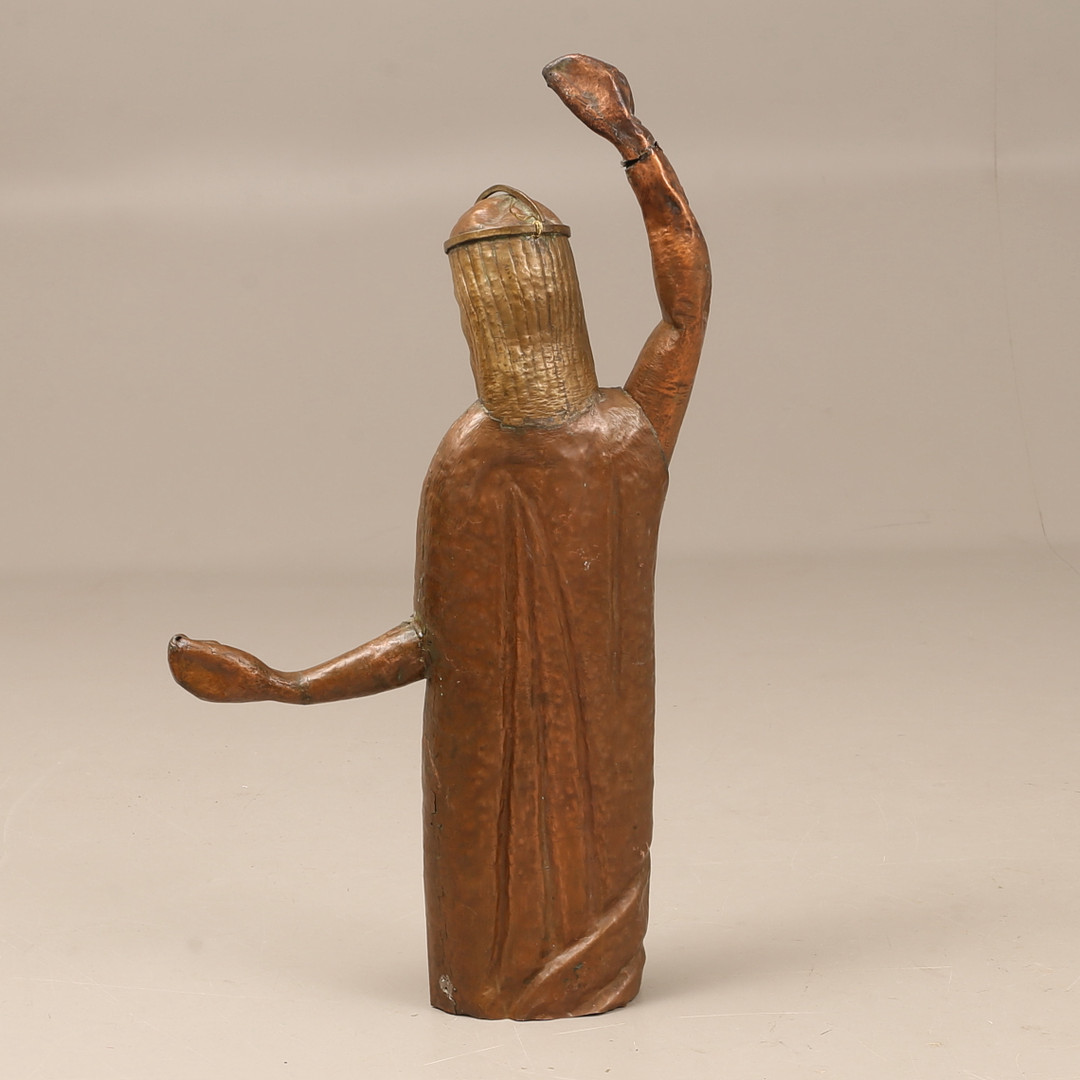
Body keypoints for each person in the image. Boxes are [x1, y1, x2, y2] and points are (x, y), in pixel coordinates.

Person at [169, 54, 710, 1019]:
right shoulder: (470, 460)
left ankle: (578, 975)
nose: (512, 325)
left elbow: (685, 306)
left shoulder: (623, 435)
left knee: (582, 905)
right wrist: (288, 685)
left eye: (526, 299)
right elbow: (433, 641)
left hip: (602, 777)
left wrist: (634, 144)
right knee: (483, 954)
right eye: (488, 308)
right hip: (482, 782)